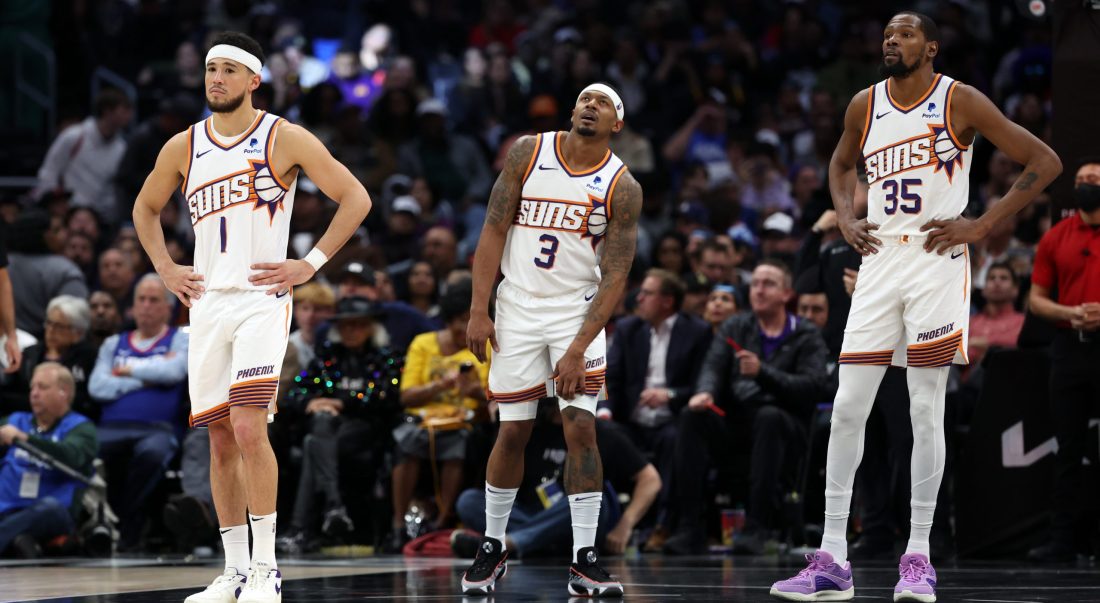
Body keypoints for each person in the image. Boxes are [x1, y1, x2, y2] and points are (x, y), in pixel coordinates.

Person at [770, 12, 1061, 602]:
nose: (891, 40)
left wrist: (980, 225)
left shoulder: (960, 100)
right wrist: (846, 216)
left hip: (934, 258)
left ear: (930, 48)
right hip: (878, 260)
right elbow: (839, 163)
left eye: (904, 34)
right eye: (886, 34)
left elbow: (1044, 162)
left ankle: (919, 555)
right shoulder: (863, 104)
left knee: (924, 409)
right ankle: (831, 558)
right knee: (848, 407)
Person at [131, 32, 373, 603]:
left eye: (228, 70)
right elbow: (145, 208)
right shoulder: (183, 146)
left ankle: (267, 570)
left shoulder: (281, 136)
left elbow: (355, 196)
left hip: (261, 298)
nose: (215, 78)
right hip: (207, 302)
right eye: (210, 68)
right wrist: (166, 268)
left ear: (253, 80)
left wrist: (309, 264)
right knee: (218, 439)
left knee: (247, 427)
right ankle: (233, 571)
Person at [462, 82, 642, 597]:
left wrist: (578, 347)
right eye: (585, 98)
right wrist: (479, 309)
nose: (591, 105)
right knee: (512, 430)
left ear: (617, 124)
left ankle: (584, 557)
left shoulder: (622, 186)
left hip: (576, 311)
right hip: (517, 305)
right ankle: (492, 545)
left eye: (603, 102)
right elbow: (493, 230)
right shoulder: (528, 151)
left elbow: (615, 275)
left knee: (581, 428)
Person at [664, 261, 829, 555]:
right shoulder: (736, 325)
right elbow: (713, 366)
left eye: (769, 284)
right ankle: (690, 527)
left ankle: (757, 526)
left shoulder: (805, 334)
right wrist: (704, 393)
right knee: (693, 416)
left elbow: (812, 387)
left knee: (769, 417)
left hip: (786, 425)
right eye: (755, 284)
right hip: (738, 420)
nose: (759, 290)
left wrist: (763, 373)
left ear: (786, 293)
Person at [453, 399, 660, 559]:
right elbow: (498, 479)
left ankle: (508, 544)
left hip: (575, 520)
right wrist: (501, 426)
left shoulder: (600, 431)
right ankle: (537, 541)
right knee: (469, 500)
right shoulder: (529, 428)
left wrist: (625, 525)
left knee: (592, 502)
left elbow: (650, 479)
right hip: (533, 512)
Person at [1026, 156, 1100, 563]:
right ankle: (1061, 541)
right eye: (1081, 179)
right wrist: (1070, 313)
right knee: (1067, 447)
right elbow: (1035, 300)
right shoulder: (1056, 236)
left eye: (1094, 179)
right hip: (1069, 346)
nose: (1087, 184)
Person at [88, 275, 188, 548]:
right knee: (86, 452)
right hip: (111, 427)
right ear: (132, 306)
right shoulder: (113, 344)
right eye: (140, 299)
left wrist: (126, 370)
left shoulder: (179, 339)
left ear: (168, 307)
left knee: (152, 455)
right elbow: (97, 386)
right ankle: (92, 524)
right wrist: (146, 377)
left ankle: (124, 519)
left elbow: (174, 371)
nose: (146, 306)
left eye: (154, 300)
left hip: (158, 429)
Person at [391, 282, 489, 548]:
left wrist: (475, 392)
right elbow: (406, 396)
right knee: (407, 441)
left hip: (462, 421)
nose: (466, 328)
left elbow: (493, 399)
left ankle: (443, 520)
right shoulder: (423, 343)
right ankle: (398, 524)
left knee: (456, 444)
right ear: (447, 320)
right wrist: (439, 385)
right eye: (460, 321)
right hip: (423, 419)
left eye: (471, 320)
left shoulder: (484, 347)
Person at [0, 363, 97, 558]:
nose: (34, 393)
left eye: (43, 387)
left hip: (51, 512)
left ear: (64, 392)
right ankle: (19, 542)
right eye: (32, 387)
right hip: (6, 508)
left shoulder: (81, 428)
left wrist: (24, 439)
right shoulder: (16, 420)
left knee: (50, 508)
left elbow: (71, 455)